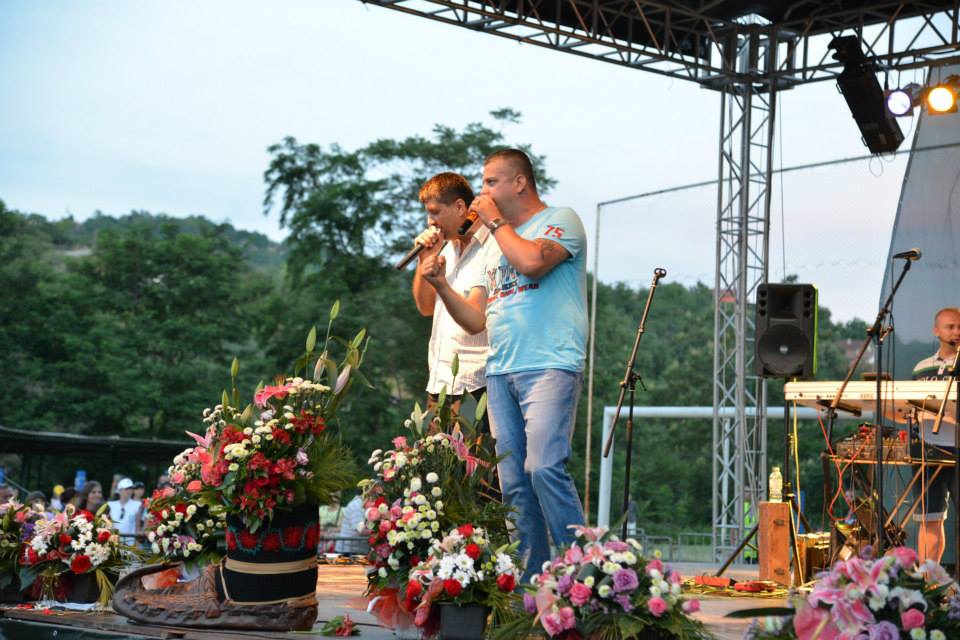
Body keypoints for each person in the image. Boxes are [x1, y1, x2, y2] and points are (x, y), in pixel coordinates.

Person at [421, 148, 587, 581]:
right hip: (499, 370)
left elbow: (532, 263)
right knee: (512, 483)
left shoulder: (560, 220)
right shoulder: (495, 244)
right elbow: (476, 319)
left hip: (549, 364)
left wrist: (495, 223)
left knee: (543, 468)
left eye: (491, 181)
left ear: (519, 182)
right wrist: (440, 285)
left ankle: (584, 576)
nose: (484, 191)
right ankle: (529, 588)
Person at [412, 172, 494, 425]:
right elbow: (425, 307)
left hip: (477, 383)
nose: (430, 221)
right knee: (434, 451)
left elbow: (476, 321)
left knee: (475, 451)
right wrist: (425, 259)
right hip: (441, 380)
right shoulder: (446, 248)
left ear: (459, 207)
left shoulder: (492, 246)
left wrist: (442, 283)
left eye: (435, 212)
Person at [912, 307, 960, 563]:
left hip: (956, 445)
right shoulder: (921, 367)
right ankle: (927, 578)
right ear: (936, 330)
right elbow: (908, 407)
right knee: (930, 518)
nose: (956, 332)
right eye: (950, 327)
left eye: (959, 327)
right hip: (927, 448)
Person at [107, 478, 139, 543]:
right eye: (126, 489)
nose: (129, 491)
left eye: (131, 489)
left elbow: (138, 527)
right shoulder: (110, 505)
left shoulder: (138, 505)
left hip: (131, 545)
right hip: (113, 543)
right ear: (120, 490)